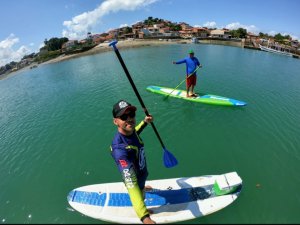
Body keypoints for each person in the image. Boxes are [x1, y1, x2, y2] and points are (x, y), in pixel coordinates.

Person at [110, 100, 156, 224]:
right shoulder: (120, 150)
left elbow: (135, 131)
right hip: (134, 178)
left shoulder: (130, 132)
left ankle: (143, 188)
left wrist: (145, 122)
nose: (129, 119)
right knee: (138, 190)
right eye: (124, 117)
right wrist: (145, 218)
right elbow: (131, 184)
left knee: (141, 186)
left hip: (142, 172)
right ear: (116, 121)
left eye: (132, 115)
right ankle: (142, 208)